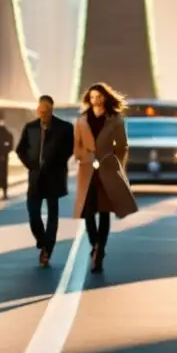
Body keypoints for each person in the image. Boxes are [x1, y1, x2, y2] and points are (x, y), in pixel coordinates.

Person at [73, 82, 138, 273]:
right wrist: (85, 158)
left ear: (105, 98)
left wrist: (116, 164)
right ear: (89, 99)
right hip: (87, 170)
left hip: (107, 170)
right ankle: (94, 244)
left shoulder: (116, 119)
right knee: (87, 211)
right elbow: (77, 146)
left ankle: (100, 250)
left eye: (99, 97)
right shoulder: (82, 120)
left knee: (104, 211)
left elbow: (122, 145)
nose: (96, 100)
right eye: (92, 97)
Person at [16, 96, 72, 266]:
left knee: (52, 216)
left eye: (47, 108)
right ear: (38, 109)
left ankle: (47, 250)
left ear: (52, 109)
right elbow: (20, 150)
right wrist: (31, 165)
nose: (43, 110)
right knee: (33, 213)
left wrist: (55, 162)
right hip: (35, 178)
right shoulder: (30, 127)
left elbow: (70, 149)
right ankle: (42, 241)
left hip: (54, 177)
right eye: (41, 107)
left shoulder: (64, 128)